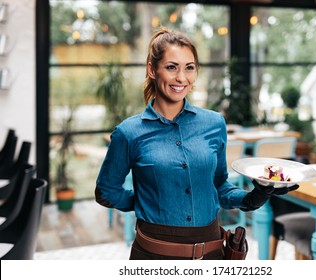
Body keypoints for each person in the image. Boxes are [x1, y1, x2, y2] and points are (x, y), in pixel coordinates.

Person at [95, 26, 298, 260]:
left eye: (189, 68)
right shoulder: (128, 132)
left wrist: (253, 197)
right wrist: (147, 203)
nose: (182, 78)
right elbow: (106, 191)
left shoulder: (214, 123)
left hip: (212, 252)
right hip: (153, 254)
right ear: (152, 69)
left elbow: (219, 185)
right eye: (172, 67)